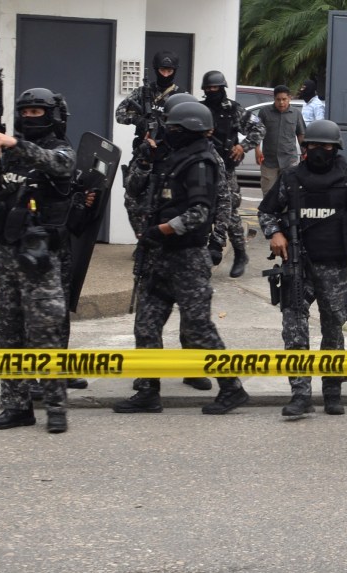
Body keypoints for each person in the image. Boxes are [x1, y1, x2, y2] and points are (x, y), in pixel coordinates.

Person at [112, 102, 250, 416]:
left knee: (199, 329)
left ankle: (232, 388)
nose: (167, 133)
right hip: (159, 258)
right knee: (146, 326)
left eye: (173, 129)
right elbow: (137, 190)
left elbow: (199, 213)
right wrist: (145, 161)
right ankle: (148, 392)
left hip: (187, 258)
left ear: (187, 131)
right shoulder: (170, 157)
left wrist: (161, 231)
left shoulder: (200, 163)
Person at [258, 120, 347, 417]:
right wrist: (274, 233)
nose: (319, 151)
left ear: (335, 148)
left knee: (333, 330)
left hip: (333, 267)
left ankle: (332, 391)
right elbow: (266, 212)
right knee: (294, 332)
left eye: (325, 146)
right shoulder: (290, 179)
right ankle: (300, 394)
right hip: (297, 267)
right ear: (305, 147)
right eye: (314, 146)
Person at [0, 88, 75, 434]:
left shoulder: (60, 149)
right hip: (6, 255)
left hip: (42, 258)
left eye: (38, 112)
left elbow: (60, 165)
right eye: (27, 112)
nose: (31, 117)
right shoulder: (8, 153)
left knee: (45, 334)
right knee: (6, 335)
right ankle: (16, 407)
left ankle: (56, 408)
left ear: (50, 115)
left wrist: (13, 144)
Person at [116, 51, 183, 237]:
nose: (166, 74)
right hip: (143, 154)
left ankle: (159, 239)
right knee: (131, 198)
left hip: (168, 155)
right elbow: (120, 114)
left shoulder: (180, 96)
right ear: (156, 70)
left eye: (169, 71)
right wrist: (138, 120)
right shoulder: (142, 92)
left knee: (165, 200)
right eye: (163, 70)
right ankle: (142, 238)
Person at [199, 70, 253, 278]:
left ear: (222, 88)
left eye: (216, 88)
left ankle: (240, 253)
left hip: (226, 170)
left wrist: (243, 146)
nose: (212, 91)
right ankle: (204, 255)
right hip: (202, 166)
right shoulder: (199, 109)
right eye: (209, 89)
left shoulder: (233, 110)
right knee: (201, 208)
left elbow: (258, 128)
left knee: (229, 213)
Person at [256, 85, 306, 197]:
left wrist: (305, 152)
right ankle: (268, 214)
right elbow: (257, 133)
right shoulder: (264, 112)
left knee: (288, 193)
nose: (281, 103)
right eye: (278, 99)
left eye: (284, 99)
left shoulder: (296, 114)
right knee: (268, 193)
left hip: (289, 161)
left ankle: (285, 215)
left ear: (289, 98)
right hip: (269, 161)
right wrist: (257, 150)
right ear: (274, 99)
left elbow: (301, 134)